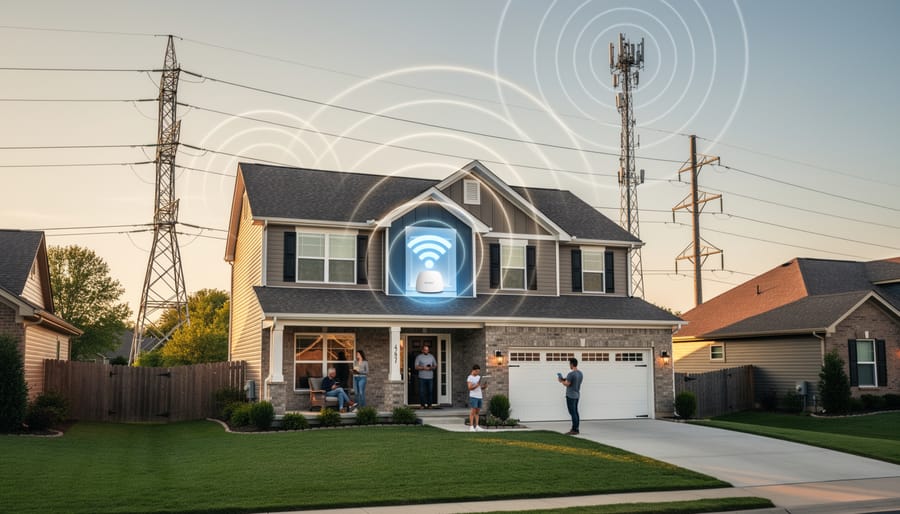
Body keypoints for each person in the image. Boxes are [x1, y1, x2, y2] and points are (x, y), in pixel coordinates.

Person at [557, 357, 583, 435]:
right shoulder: (580, 373)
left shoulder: (571, 374)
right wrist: (564, 379)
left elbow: (567, 384)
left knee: (572, 412)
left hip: (571, 396)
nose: (569, 365)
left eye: (570, 364)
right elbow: (572, 381)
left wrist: (561, 381)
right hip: (577, 395)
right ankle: (576, 428)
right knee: (576, 412)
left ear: (572, 364)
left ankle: (574, 430)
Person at [467, 364, 486, 432]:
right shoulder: (470, 377)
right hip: (473, 396)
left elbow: (480, 388)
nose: (478, 373)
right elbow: (470, 388)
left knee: (477, 412)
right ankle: (471, 427)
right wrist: (477, 385)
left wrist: (484, 386)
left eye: (478, 371)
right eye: (477, 371)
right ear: (473, 370)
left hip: (479, 396)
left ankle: (477, 426)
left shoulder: (479, 377)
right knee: (473, 412)